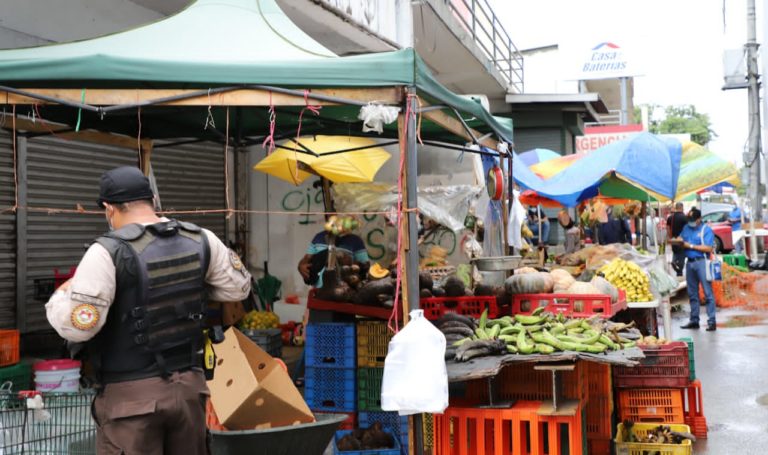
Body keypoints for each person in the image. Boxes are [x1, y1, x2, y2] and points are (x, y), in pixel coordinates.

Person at [45, 166, 252, 454]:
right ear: (152, 199)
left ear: (109, 208)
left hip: (131, 401)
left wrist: (60, 295)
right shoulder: (201, 238)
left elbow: (81, 327)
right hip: (190, 391)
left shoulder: (106, 251)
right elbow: (238, 289)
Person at [677, 207, 717, 331]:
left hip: (702, 262)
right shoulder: (686, 228)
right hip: (690, 263)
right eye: (690, 219)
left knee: (707, 293)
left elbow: (708, 248)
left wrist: (691, 246)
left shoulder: (706, 230)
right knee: (692, 294)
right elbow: (680, 238)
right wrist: (677, 241)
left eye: (693, 220)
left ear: (699, 219)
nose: (691, 222)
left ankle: (711, 321)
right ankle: (694, 320)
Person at [298, 230, 370, 287]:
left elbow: (365, 267)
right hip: (319, 291)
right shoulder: (318, 237)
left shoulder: (355, 240)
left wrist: (350, 263)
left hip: (344, 290)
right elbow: (306, 260)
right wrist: (300, 266)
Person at [666, 202, 688, 276]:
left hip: (674, 239)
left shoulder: (670, 217)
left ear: (676, 207)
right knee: (681, 254)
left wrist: (671, 236)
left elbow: (668, 228)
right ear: (681, 207)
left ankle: (674, 262)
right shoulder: (685, 217)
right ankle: (679, 271)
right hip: (682, 240)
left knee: (675, 252)